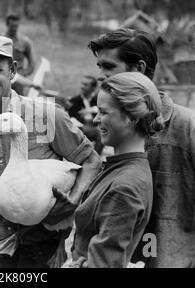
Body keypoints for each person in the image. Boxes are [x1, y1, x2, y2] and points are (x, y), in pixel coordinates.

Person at [0, 34, 102, 268]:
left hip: (44, 247)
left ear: (12, 70)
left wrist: (72, 200)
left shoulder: (48, 116)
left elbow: (91, 161)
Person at [88, 28, 195, 268]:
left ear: (139, 68)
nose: (100, 75)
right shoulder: (108, 126)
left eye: (108, 66)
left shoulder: (187, 127)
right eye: (99, 67)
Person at [70, 72, 163, 268]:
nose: (96, 119)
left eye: (103, 112)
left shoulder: (125, 185)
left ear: (131, 117)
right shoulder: (122, 169)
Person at [68, 76, 103, 154]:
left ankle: (96, 156)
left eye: (86, 85)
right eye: (82, 84)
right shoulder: (74, 101)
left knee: (100, 132)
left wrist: (90, 110)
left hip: (95, 127)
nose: (82, 87)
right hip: (80, 128)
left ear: (93, 88)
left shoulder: (99, 100)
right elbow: (70, 117)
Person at [4, 14, 36, 95]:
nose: (14, 28)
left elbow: (32, 63)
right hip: (3, 77)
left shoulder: (25, 41)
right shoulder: (0, 39)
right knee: (3, 102)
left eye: (16, 26)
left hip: (19, 79)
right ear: (7, 25)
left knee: (18, 103)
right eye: (12, 26)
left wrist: (23, 74)